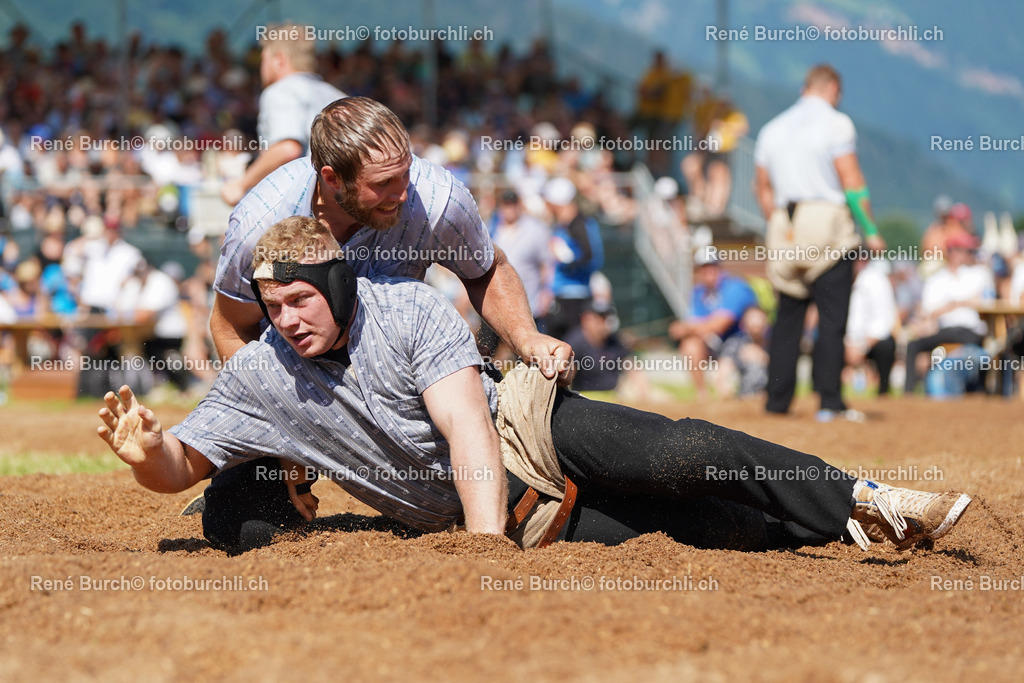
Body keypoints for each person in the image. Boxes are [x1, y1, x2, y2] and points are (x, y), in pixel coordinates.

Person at [98, 217, 973, 554]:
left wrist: (482, 548)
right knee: (716, 531)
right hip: (529, 516)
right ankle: (835, 536)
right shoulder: (259, 374)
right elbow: (183, 462)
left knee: (685, 452)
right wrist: (146, 453)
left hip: (523, 432)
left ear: (334, 285)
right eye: (271, 305)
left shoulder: (405, 310)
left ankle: (865, 496)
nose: (287, 318)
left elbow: (466, 426)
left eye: (299, 299)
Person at [201, 96, 572, 535]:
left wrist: (526, 337)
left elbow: (486, 267)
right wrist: (285, 447)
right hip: (306, 389)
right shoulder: (259, 221)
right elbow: (228, 325)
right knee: (242, 525)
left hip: (410, 381)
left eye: (405, 173)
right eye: (384, 183)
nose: (402, 192)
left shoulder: (436, 200)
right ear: (332, 179)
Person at [753, 64, 886, 422]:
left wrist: (778, 222)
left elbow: (761, 187)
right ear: (832, 89)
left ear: (803, 88)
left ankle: (776, 401)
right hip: (824, 221)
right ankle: (830, 403)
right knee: (831, 318)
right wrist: (871, 230)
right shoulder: (836, 123)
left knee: (788, 317)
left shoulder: (772, 129)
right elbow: (851, 179)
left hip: (784, 225)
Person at [219, 23, 345, 206]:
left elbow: (287, 148)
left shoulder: (280, 91)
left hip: (304, 209)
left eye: (264, 59)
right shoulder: (336, 95)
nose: (262, 67)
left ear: (279, 59)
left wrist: (241, 183)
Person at [904, 232, 994, 395]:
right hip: (945, 331)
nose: (971, 254)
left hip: (970, 331)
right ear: (953, 252)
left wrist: (952, 305)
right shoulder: (936, 279)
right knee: (913, 345)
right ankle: (908, 393)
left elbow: (986, 302)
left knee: (978, 343)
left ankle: (981, 391)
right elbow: (929, 313)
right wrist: (962, 303)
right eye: (967, 250)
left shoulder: (979, 274)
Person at [669, 248, 757, 398]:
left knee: (728, 385)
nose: (708, 271)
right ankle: (702, 395)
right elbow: (696, 323)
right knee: (690, 345)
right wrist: (687, 329)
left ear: (718, 267)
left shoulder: (735, 286)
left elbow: (721, 324)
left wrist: (686, 328)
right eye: (703, 267)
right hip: (716, 344)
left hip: (740, 343)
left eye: (711, 266)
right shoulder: (698, 292)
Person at [543, 177, 604, 341]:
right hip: (563, 295)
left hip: (574, 298)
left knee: (569, 347)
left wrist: (566, 261)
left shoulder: (579, 225)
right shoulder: (564, 225)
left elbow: (590, 258)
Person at [845, 254, 898, 396]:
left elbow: (884, 321)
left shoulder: (877, 280)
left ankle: (883, 392)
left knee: (886, 345)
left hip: (870, 342)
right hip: (845, 342)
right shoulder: (839, 278)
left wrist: (862, 347)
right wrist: (847, 344)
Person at [563, 300, 630, 392]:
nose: (606, 322)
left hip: (614, 396)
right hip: (587, 400)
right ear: (586, 319)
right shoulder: (575, 343)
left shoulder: (614, 340)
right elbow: (566, 381)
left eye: (607, 316)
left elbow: (630, 366)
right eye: (601, 317)